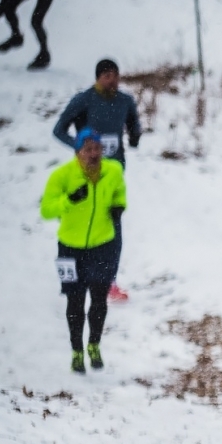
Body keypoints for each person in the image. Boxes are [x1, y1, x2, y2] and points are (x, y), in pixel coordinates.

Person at [54, 59, 143, 300]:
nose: (112, 80)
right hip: (84, 175)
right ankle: (75, 280)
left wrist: (135, 137)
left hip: (113, 175)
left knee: (113, 228)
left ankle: (108, 280)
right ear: (97, 78)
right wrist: (80, 146)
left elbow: (133, 123)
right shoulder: (84, 100)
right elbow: (59, 129)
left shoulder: (124, 101)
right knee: (81, 227)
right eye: (106, 76)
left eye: (115, 75)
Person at [41, 129, 126, 373]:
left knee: (99, 299)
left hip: (103, 246)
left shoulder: (113, 171)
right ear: (77, 152)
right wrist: (69, 200)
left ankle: (94, 345)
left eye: (97, 149)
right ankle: (76, 351)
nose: (93, 154)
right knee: (75, 301)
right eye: (87, 149)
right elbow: (46, 210)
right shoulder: (62, 176)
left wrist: (119, 206)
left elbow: (119, 191)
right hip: (70, 248)